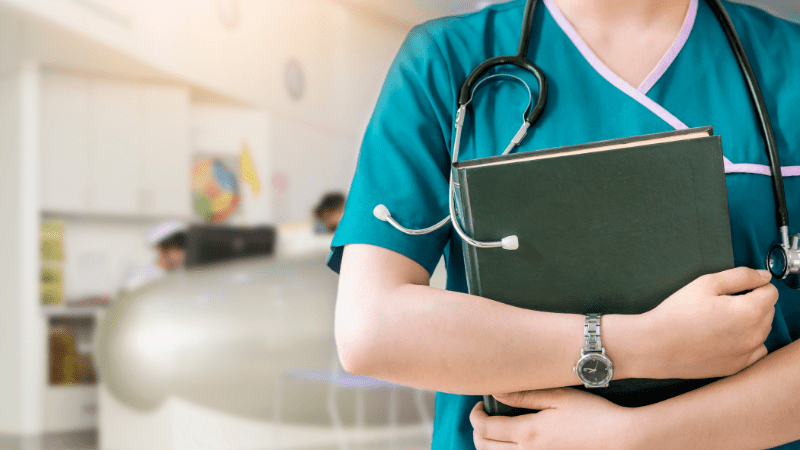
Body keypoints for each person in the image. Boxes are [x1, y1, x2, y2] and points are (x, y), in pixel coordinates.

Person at [328, 0, 800, 449]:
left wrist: (633, 437)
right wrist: (643, 345)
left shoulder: (788, 59)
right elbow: (372, 327)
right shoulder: (447, 61)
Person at [124, 220, 187, 291]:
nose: (181, 254)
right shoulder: (141, 278)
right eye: (176, 249)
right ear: (161, 250)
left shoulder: (186, 275)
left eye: (183, 248)